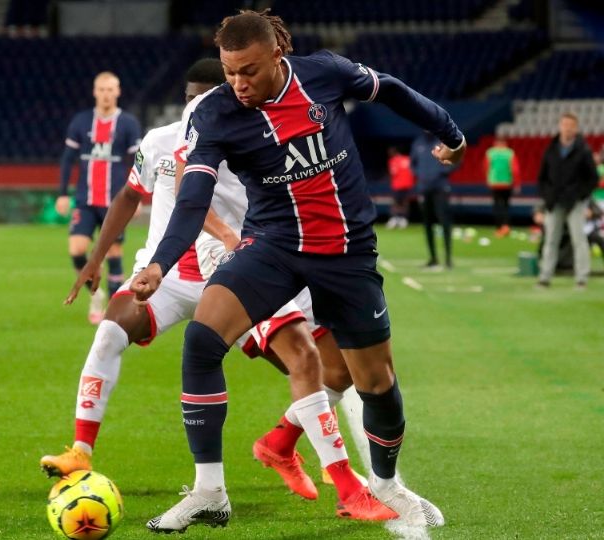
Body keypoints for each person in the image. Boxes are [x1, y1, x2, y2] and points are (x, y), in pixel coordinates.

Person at [128, 9, 465, 532]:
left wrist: (450, 132)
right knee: (202, 340)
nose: (238, 83)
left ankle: (387, 483)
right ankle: (209, 491)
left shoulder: (323, 74)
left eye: (250, 71)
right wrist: (157, 264)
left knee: (375, 381)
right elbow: (192, 197)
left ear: (278, 56)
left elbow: (392, 89)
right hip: (274, 246)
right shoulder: (212, 113)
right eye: (230, 70)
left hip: (347, 250)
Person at [42, 58, 392, 522]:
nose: (194, 109)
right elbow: (132, 194)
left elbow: (208, 195)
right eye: (189, 99)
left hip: (239, 268)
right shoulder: (160, 141)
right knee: (109, 332)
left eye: (203, 100)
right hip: (168, 274)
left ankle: (282, 443)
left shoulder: (253, 138)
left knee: (327, 367)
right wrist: (95, 257)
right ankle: (82, 452)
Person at [56, 71, 143, 323]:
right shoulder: (81, 122)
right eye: (101, 89)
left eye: (110, 89)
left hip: (114, 202)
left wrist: (135, 197)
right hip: (85, 199)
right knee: (77, 250)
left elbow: (138, 163)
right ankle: (95, 293)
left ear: (118, 92)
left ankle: (113, 312)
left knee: (114, 253)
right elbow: (67, 159)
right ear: (95, 92)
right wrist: (62, 193)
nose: (106, 94)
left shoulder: (127, 123)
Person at [536, 112, 598, 290]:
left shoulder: (584, 150)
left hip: (575, 203)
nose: (568, 128)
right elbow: (542, 178)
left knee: (579, 240)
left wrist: (580, 196)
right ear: (560, 126)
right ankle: (544, 277)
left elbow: (592, 178)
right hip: (554, 202)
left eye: (571, 125)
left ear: (576, 128)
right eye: (565, 124)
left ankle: (581, 278)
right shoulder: (551, 149)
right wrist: (547, 197)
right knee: (550, 240)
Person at [412, 131, 456, 269]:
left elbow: (457, 159)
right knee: (427, 223)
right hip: (424, 188)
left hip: (440, 188)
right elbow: (412, 163)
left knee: (444, 221)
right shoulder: (418, 143)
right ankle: (433, 258)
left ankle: (448, 258)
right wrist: (420, 174)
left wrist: (443, 171)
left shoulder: (443, 141)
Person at [485, 136, 520, 238]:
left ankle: (499, 228)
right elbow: (515, 169)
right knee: (505, 206)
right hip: (506, 183)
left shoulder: (490, 153)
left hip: (495, 183)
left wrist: (488, 180)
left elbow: (486, 167)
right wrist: (517, 183)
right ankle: (506, 226)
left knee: (497, 206)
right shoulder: (509, 153)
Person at [386, 146, 414, 229]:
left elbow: (393, 173)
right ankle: (401, 219)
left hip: (397, 185)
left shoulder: (393, 161)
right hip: (407, 185)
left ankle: (396, 219)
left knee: (397, 203)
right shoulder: (408, 159)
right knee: (404, 202)